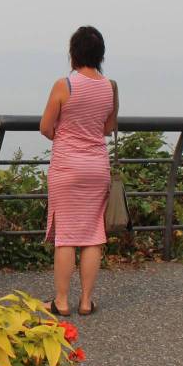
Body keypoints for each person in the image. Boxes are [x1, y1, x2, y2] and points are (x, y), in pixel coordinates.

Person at [39, 26, 118, 316]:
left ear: (73, 53)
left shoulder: (65, 85)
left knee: (66, 236)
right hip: (97, 166)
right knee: (93, 235)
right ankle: (86, 301)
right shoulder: (110, 87)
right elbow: (108, 127)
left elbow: (45, 127)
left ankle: (61, 301)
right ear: (100, 55)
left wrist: (63, 134)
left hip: (68, 167)